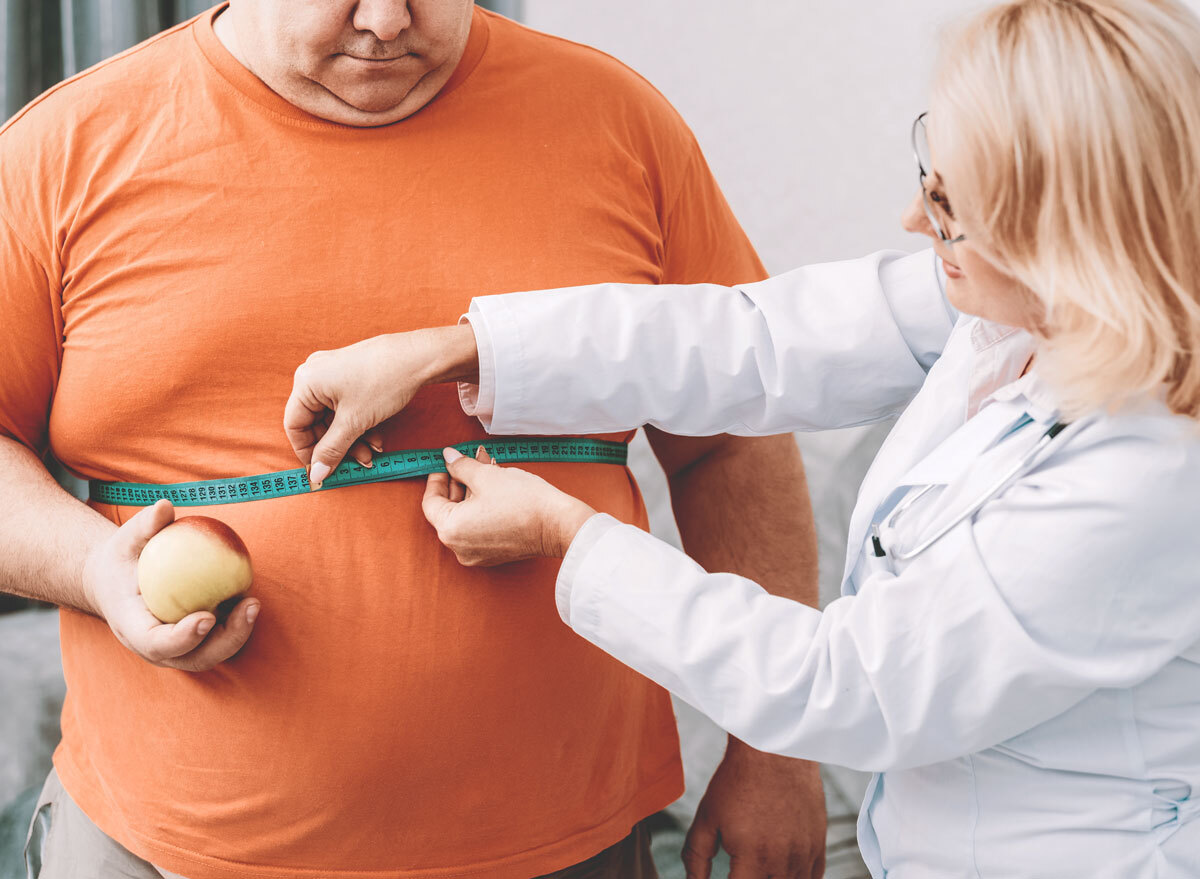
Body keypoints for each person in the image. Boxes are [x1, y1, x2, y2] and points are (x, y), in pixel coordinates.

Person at [284, 0, 1200, 876]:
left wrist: (571, 538)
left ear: (1070, 233)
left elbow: (848, 687)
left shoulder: (1143, 474)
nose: (915, 221)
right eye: (929, 174)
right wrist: (457, 349)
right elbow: (753, 341)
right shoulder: (1021, 308)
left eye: (953, 206)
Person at [0, 2, 828, 878]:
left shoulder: (618, 121)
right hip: (160, 846)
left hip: (571, 843)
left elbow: (731, 437)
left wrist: (777, 747)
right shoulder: (64, 151)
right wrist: (94, 568)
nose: (390, 21)